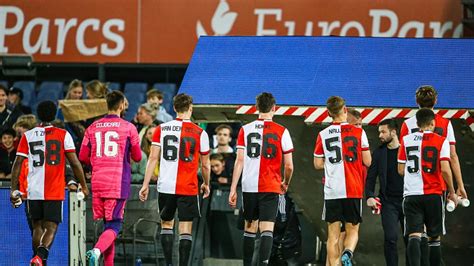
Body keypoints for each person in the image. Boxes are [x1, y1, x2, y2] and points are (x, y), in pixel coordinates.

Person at [9, 100, 89, 266]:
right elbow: (74, 163)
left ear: (39, 115)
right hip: (54, 189)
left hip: (34, 190)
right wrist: (84, 185)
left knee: (37, 226)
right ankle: (40, 256)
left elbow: (17, 163)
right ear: (54, 115)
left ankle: (38, 260)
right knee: (51, 227)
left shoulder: (28, 135)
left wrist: (13, 189)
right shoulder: (63, 134)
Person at [139, 93, 211, 266]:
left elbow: (153, 158)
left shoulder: (161, 129)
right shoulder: (200, 132)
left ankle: (169, 264)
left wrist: (145, 184)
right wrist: (207, 183)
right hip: (188, 186)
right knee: (185, 230)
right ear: (191, 108)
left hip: (166, 186)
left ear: (174, 108)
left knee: (166, 225)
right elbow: (206, 164)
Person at [399, 85, 467, 264]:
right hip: (436, 187)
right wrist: (459, 186)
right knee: (434, 236)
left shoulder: (407, 125)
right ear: (436, 100)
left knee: (415, 233)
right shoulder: (444, 124)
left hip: (412, 189)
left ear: (416, 102)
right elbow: (452, 157)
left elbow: (401, 163)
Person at [229, 92, 294, 266]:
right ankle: (264, 263)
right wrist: (285, 183)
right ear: (274, 108)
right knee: (267, 229)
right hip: (271, 186)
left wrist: (233, 188)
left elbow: (240, 160)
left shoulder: (245, 129)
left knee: (249, 228)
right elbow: (289, 166)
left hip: (249, 186)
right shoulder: (282, 131)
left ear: (256, 107)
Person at [79, 91, 142, 266]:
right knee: (115, 225)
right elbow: (137, 157)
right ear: (122, 105)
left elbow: (83, 156)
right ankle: (96, 251)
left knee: (108, 226)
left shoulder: (92, 127)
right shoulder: (129, 128)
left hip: (98, 182)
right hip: (117, 183)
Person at [313, 96, 371, 266]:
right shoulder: (359, 132)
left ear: (329, 113)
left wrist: (332, 162)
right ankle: (348, 251)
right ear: (345, 110)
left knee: (333, 236)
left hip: (332, 190)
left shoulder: (323, 134)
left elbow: (317, 164)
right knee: (352, 230)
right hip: (353, 188)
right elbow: (368, 161)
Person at [366, 118, 408, 266]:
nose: (380, 136)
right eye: (379, 132)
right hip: (388, 202)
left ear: (394, 132)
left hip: (407, 202)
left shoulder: (407, 150)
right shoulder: (379, 153)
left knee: (411, 239)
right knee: (390, 238)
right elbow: (370, 177)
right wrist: (369, 195)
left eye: (383, 132)